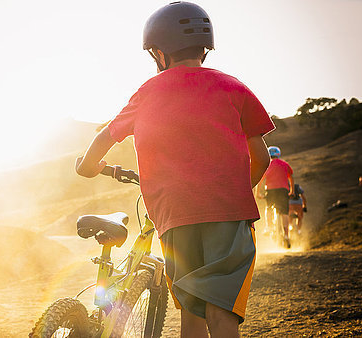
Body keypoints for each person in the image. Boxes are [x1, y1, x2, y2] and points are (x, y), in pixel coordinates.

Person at [75, 2, 274, 336]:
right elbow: (262, 158)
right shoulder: (234, 87)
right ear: (205, 48)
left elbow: (104, 138)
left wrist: (87, 167)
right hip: (226, 213)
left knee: (191, 311)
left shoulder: (146, 93)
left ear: (158, 52)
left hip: (173, 217)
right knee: (221, 310)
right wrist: (234, 195)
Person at [256, 146, 294, 247]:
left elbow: (260, 180)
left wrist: (258, 193)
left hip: (271, 190)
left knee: (269, 208)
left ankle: (268, 227)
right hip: (283, 190)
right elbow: (291, 178)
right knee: (285, 212)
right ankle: (286, 236)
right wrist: (292, 191)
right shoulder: (285, 164)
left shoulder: (267, 165)